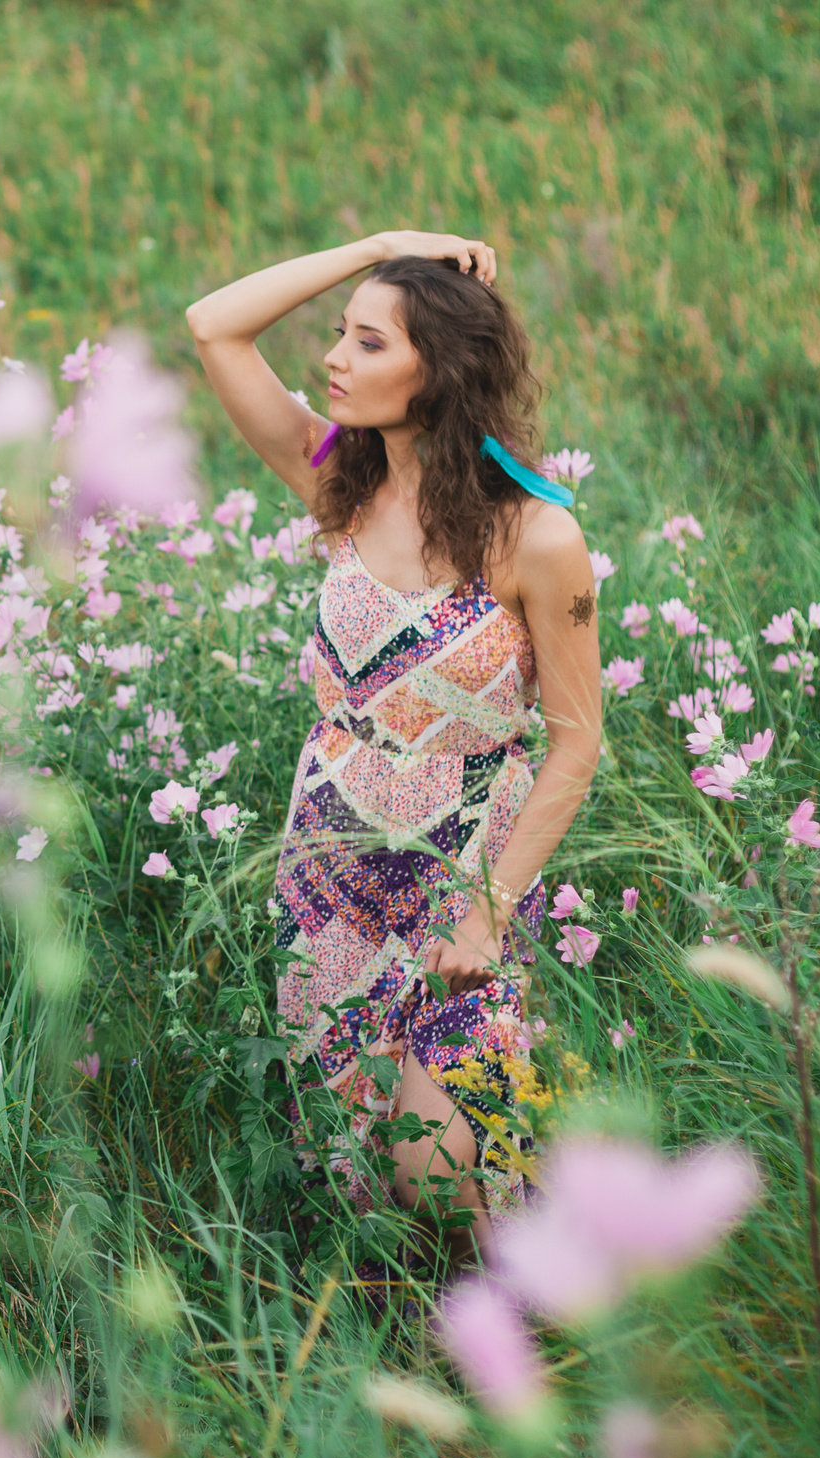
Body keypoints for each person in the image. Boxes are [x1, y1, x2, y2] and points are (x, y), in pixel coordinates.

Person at [183, 232, 603, 1253]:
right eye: (340, 335)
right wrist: (381, 246)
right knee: (352, 1150)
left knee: (449, 1164)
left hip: (464, 869)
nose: (333, 357)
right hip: (328, 865)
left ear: (440, 369)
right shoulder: (341, 479)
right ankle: (394, 1338)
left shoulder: (536, 537)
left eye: (368, 343)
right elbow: (212, 326)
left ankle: (520, 1335)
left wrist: (487, 914)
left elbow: (577, 744)